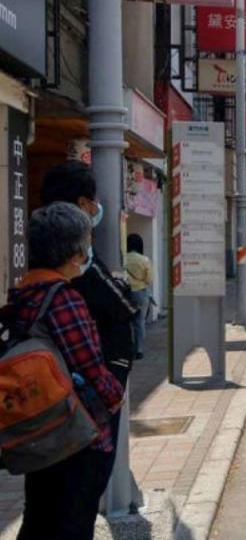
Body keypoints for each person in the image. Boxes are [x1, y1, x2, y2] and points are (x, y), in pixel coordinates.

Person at [5, 203, 125, 540]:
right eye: (86, 243)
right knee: (71, 522)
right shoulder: (64, 298)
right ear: (74, 252)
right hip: (71, 433)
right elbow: (89, 366)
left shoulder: (23, 292)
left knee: (40, 519)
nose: (89, 251)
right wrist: (115, 397)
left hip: (38, 429)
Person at [41, 161, 138, 496]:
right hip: (83, 410)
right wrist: (113, 393)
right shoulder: (72, 286)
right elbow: (121, 309)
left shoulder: (31, 286)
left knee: (47, 504)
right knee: (78, 500)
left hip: (48, 412)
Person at [125, 234, 153, 359]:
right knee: (139, 321)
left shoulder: (123, 258)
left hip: (125, 292)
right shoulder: (144, 260)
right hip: (141, 292)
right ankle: (139, 350)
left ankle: (127, 347)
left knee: (127, 321)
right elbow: (149, 279)